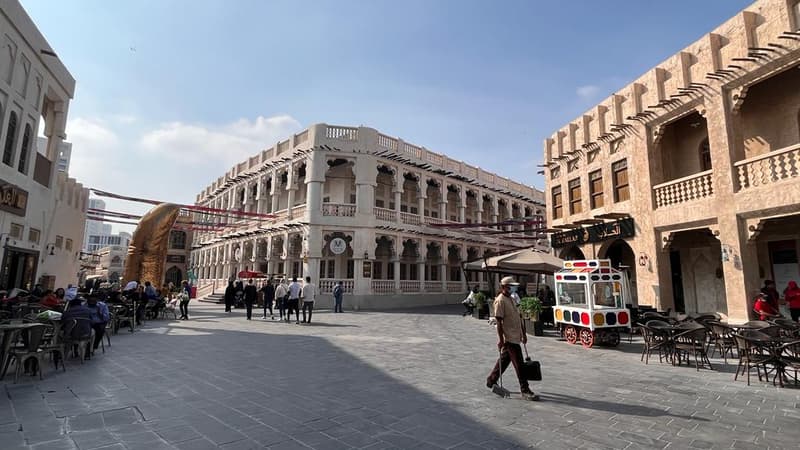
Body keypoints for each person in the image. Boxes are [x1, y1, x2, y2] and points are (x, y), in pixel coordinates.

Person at [485, 276, 539, 401]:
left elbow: (518, 317)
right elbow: (499, 322)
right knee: (519, 364)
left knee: (504, 360)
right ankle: (525, 389)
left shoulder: (512, 299)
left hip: (516, 335)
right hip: (509, 337)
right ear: (504, 287)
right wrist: (501, 340)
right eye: (511, 286)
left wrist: (523, 333)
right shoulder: (500, 301)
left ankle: (491, 379)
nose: (513, 288)